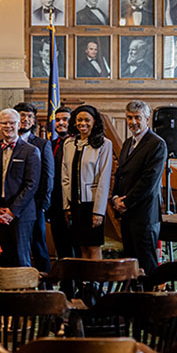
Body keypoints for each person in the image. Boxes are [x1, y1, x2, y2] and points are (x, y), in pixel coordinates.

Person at [112, 100, 167, 275]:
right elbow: (120, 174)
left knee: (146, 264)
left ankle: (150, 299)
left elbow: (149, 181)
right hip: (127, 214)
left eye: (137, 117)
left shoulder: (157, 144)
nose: (133, 122)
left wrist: (126, 203)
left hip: (144, 215)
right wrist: (115, 198)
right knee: (130, 263)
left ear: (147, 119)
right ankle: (134, 298)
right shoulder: (128, 143)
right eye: (129, 117)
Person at [62, 105, 113, 260]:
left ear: (94, 122)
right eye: (79, 120)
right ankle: (85, 281)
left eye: (86, 120)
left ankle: (96, 282)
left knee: (93, 245)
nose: (82, 123)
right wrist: (67, 205)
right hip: (75, 204)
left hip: (91, 204)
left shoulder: (104, 144)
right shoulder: (69, 144)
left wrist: (98, 211)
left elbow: (104, 179)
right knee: (81, 245)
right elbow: (65, 177)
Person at [0, 108, 41, 267]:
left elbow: (31, 185)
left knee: (22, 259)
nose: (8, 126)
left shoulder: (31, 151)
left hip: (22, 214)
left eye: (12, 123)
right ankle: (8, 292)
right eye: (4, 123)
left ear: (19, 124)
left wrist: (12, 211)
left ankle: (24, 292)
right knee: (4, 258)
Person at [14, 102, 54, 273]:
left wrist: (43, 204)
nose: (26, 119)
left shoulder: (42, 144)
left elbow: (48, 176)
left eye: (30, 116)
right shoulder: (7, 141)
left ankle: (46, 286)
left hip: (35, 204)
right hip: (13, 203)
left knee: (38, 245)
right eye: (22, 115)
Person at [46, 106, 75, 259]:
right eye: (57, 120)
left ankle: (78, 282)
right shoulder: (50, 145)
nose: (61, 123)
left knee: (74, 248)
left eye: (65, 120)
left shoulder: (77, 144)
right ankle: (65, 281)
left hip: (72, 203)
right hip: (55, 203)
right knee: (61, 247)